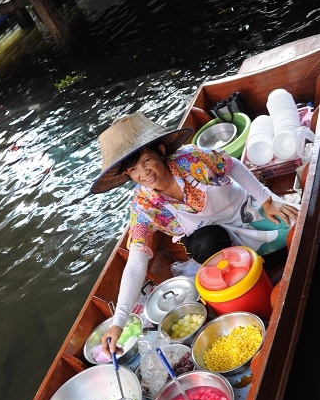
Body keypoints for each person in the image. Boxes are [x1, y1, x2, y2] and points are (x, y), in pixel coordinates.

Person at [90, 112, 299, 357]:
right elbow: (136, 262)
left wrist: (266, 200)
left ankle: (266, 264)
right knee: (205, 244)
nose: (144, 174)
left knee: (294, 232)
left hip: (246, 211)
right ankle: (248, 279)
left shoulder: (191, 158)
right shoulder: (142, 205)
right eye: (133, 170)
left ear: (160, 150)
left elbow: (233, 166)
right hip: (216, 241)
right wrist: (118, 322)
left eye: (147, 160)